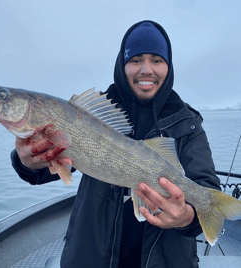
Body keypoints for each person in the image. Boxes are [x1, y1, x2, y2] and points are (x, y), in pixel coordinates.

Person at [11, 20, 221, 268]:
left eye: (156, 60)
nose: (146, 69)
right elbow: (42, 174)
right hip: (90, 258)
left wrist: (186, 217)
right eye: (135, 60)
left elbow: (206, 186)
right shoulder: (90, 116)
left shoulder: (188, 125)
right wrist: (27, 162)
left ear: (168, 66)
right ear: (122, 65)